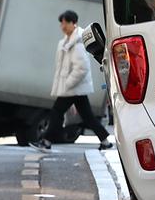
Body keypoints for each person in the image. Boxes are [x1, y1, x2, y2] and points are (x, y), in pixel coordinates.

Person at [31, 10, 113, 152]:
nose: (62, 26)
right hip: (75, 89)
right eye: (61, 23)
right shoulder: (68, 41)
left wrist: (67, 85)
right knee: (87, 117)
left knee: (56, 112)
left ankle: (46, 141)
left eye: (64, 23)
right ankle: (105, 141)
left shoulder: (78, 43)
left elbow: (81, 69)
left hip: (73, 88)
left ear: (72, 23)